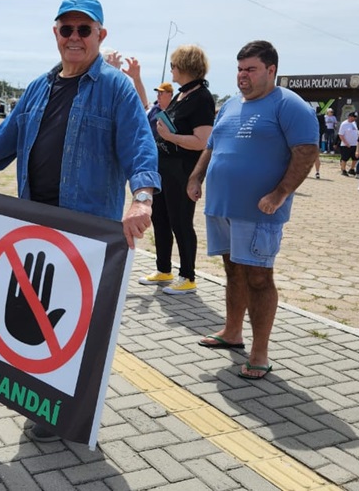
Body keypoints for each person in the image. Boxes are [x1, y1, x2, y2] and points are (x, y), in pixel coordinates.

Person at [0, 0, 159, 440]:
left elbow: (139, 147)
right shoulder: (37, 87)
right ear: (55, 34)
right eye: (66, 29)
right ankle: (44, 401)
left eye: (84, 30)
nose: (74, 37)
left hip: (85, 233)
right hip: (34, 228)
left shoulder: (116, 88)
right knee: (33, 321)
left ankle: (65, 411)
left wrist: (142, 198)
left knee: (75, 325)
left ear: (100, 36)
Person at [186, 40, 318, 380]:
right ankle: (232, 332)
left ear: (271, 70)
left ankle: (260, 353)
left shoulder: (289, 106)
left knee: (259, 277)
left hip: (259, 211)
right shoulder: (230, 105)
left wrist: (280, 194)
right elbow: (213, 145)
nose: (243, 76)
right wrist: (197, 176)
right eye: (240, 69)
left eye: (251, 69)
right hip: (223, 206)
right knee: (233, 271)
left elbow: (305, 152)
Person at [139, 45, 214, 295]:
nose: (171, 69)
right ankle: (164, 269)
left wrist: (170, 137)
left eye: (173, 65)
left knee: (181, 221)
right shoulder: (182, 95)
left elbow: (202, 141)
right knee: (159, 218)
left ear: (185, 66)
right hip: (164, 167)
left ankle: (188, 276)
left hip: (182, 169)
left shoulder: (202, 98)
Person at [314, 109, 326, 179]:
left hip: (308, 141)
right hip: (316, 141)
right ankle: (317, 172)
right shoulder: (322, 126)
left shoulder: (312, 123)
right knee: (316, 158)